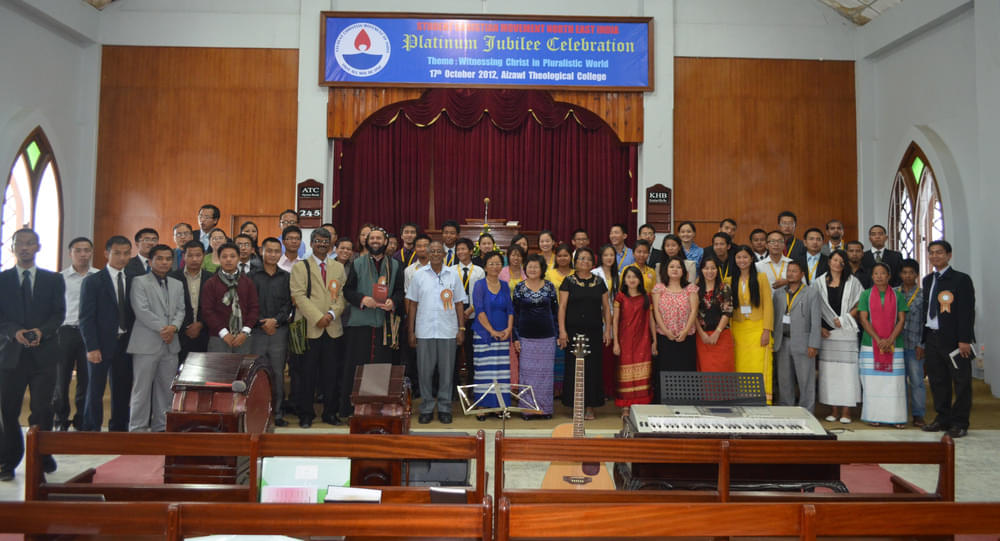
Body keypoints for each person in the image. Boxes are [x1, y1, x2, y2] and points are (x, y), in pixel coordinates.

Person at [0, 229, 65, 481]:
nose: (25, 248)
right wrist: (14, 332)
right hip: (10, 356)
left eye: (30, 243)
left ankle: (41, 457)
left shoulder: (53, 280)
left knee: (41, 410)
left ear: (38, 247)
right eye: (20, 244)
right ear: (12, 248)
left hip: (44, 355)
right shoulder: (3, 280)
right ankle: (8, 460)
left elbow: (58, 314)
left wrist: (42, 332)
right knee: (8, 410)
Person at [342, 227, 405, 417]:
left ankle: (378, 409)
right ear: (366, 242)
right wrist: (362, 299)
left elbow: (400, 291)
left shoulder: (395, 265)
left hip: (384, 325)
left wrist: (393, 301)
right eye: (372, 238)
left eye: (379, 238)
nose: (375, 241)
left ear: (385, 242)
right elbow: (348, 291)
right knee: (356, 367)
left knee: (381, 368)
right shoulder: (357, 263)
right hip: (360, 323)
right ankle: (353, 410)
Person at [289, 228, 346, 427]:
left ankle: (330, 413)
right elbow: (298, 296)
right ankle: (306, 414)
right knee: (307, 374)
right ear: (312, 243)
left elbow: (341, 296)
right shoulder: (300, 267)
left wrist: (331, 315)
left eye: (325, 241)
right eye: (318, 241)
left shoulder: (338, 267)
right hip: (309, 328)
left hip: (333, 328)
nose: (322, 244)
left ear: (331, 244)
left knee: (331, 374)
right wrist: (318, 317)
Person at [407, 241, 467, 425]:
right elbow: (413, 304)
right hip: (424, 331)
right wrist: (411, 330)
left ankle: (444, 408)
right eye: (431, 251)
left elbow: (459, 303)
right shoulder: (418, 275)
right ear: (427, 253)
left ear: (444, 254)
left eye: (438, 251)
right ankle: (426, 408)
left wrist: (461, 328)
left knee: (447, 373)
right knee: (424, 373)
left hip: (448, 330)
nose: (434, 254)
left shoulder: (453, 275)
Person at [126, 244, 184, 432]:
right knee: (141, 389)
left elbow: (181, 310)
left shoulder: (177, 284)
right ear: (150, 262)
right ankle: (138, 428)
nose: (164, 262)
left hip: (170, 344)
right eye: (159, 258)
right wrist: (164, 329)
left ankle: (162, 426)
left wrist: (174, 327)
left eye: (168, 259)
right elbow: (141, 310)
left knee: (166, 389)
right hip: (146, 343)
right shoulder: (139, 282)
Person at [921, 240, 976, 438]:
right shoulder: (928, 280)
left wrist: (965, 339)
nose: (935, 256)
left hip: (954, 340)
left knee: (961, 382)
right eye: (931, 253)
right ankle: (942, 418)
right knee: (937, 381)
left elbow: (966, 311)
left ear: (949, 255)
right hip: (932, 337)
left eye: (939, 252)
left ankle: (960, 422)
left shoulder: (961, 279)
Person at [80, 235, 135, 433]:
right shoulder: (93, 281)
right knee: (95, 389)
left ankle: (118, 429)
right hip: (100, 344)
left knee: (122, 389)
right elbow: (86, 318)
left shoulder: (133, 280)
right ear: (106, 253)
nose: (122, 257)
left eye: (126, 253)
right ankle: (92, 429)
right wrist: (92, 347)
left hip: (125, 343)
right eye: (117, 253)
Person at [557, 247, 611, 420]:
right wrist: (562, 331)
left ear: (593, 262)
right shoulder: (568, 281)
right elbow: (562, 307)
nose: (585, 261)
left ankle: (590, 406)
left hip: (594, 331)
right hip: (573, 331)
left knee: (593, 368)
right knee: (574, 368)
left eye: (588, 259)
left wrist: (608, 330)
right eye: (581, 258)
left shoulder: (599, 282)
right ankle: (575, 405)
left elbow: (606, 308)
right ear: (576, 261)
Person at [53, 237, 98, 431]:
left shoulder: (99, 276)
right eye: (78, 250)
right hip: (65, 331)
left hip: (90, 333)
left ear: (91, 253)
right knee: (61, 379)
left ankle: (82, 419)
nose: (83, 254)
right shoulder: (59, 278)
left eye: (87, 250)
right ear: (70, 253)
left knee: (86, 378)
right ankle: (60, 419)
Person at [813, 249, 863, 424]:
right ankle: (833, 410)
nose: (837, 263)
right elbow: (813, 308)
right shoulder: (819, 283)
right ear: (829, 262)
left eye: (841, 261)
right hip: (827, 335)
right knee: (830, 373)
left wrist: (846, 318)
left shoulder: (853, 281)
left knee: (848, 373)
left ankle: (846, 411)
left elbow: (861, 302)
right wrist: (819, 327)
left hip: (846, 332)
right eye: (834, 260)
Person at [857, 262, 908, 428]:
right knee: (873, 383)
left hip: (895, 345)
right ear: (872, 276)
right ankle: (874, 416)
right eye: (876, 273)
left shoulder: (898, 295)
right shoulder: (865, 295)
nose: (879, 276)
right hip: (870, 345)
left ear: (889, 276)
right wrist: (878, 339)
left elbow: (901, 320)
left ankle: (896, 417)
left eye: (883, 273)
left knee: (894, 384)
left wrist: (890, 339)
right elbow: (863, 319)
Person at [251, 237, 292, 427]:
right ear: (262, 252)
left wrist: (276, 320)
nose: (273, 254)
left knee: (277, 373)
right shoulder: (251, 276)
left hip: (278, 331)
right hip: (256, 332)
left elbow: (288, 304)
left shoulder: (286, 277)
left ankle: (277, 413)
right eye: (269, 251)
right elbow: (249, 304)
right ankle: (255, 413)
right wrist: (262, 322)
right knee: (256, 373)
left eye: (277, 251)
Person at [771, 260, 822, 411]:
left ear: (802, 274)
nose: (790, 274)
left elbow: (816, 321)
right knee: (784, 379)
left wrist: (814, 344)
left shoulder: (811, 293)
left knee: (805, 380)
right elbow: (774, 318)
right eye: (788, 271)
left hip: (804, 343)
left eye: (794, 271)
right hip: (782, 341)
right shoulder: (779, 294)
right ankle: (786, 409)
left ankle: (807, 411)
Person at [512, 255, 558, 420]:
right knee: (527, 374)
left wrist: (558, 334)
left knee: (545, 375)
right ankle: (527, 409)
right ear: (525, 268)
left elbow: (555, 312)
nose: (532, 269)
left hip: (547, 336)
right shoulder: (519, 288)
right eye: (529, 266)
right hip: (526, 336)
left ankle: (545, 409)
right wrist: (515, 338)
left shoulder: (550, 287)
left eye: (536, 266)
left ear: (542, 269)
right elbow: (515, 314)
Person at [650, 256, 699, 403]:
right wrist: (666, 331)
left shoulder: (690, 288)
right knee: (665, 371)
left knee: (685, 372)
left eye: (678, 267)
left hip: (686, 338)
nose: (675, 270)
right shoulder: (659, 288)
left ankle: (686, 404)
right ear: (666, 270)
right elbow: (656, 312)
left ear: (683, 271)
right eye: (672, 267)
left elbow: (694, 311)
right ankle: (664, 403)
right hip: (665, 337)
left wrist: (685, 331)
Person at [471, 252, 514, 420]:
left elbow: (510, 310)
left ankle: (499, 405)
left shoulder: (504, 285)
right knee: (484, 372)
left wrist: (508, 329)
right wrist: (492, 331)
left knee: (501, 372)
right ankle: (482, 405)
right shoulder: (479, 285)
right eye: (491, 263)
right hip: (484, 334)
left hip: (503, 334)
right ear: (485, 266)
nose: (495, 267)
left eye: (498, 263)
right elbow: (479, 310)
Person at [730, 246, 775, 403]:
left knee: (759, 364)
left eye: (745, 257)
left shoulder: (761, 278)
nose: (742, 260)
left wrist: (767, 330)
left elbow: (768, 305)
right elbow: (728, 309)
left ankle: (761, 400)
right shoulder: (729, 280)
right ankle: (742, 399)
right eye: (739, 257)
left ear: (751, 259)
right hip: (738, 328)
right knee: (740, 364)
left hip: (758, 328)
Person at [201, 242, 259, 354]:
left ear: (238, 258)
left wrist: (245, 332)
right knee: (219, 366)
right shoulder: (211, 283)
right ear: (219, 259)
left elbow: (254, 308)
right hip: (218, 337)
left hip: (243, 337)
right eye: (224, 256)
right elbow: (207, 311)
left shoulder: (247, 282)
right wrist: (224, 333)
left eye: (232, 256)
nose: (228, 260)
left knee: (243, 366)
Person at [612, 266, 655, 411]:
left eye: (635, 277)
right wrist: (616, 342)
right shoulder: (620, 297)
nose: (632, 280)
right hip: (624, 340)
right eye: (628, 277)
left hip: (643, 340)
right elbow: (615, 321)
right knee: (625, 373)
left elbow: (651, 320)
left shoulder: (646, 297)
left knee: (643, 372)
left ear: (640, 280)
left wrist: (654, 341)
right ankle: (625, 406)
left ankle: (641, 406)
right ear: (624, 280)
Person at [167, 240, 212, 361]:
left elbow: (214, 306)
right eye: (190, 255)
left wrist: (201, 324)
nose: (194, 259)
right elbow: (170, 307)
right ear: (183, 256)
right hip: (179, 334)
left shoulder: (211, 278)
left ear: (204, 256)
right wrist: (185, 327)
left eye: (198, 255)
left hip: (205, 334)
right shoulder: (172, 277)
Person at [897, 258, 927, 427]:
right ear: (900, 274)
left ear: (916, 274)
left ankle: (918, 415)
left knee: (917, 381)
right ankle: (899, 414)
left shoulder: (923, 295)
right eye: (904, 272)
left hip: (915, 344)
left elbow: (925, 322)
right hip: (896, 345)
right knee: (898, 382)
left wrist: (922, 345)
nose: (907, 276)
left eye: (911, 273)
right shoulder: (893, 292)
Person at [453, 238, 484, 390]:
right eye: (458, 249)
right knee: (454, 352)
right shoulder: (451, 270)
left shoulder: (479, 271)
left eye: (463, 249)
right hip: (454, 315)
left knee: (472, 352)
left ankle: (472, 386)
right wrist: (458, 312)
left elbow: (481, 294)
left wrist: (471, 309)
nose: (460, 252)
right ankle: (455, 386)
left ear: (471, 251)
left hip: (474, 314)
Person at [695, 257, 735, 373]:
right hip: (703, 337)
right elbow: (693, 314)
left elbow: (727, 312)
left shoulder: (724, 287)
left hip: (722, 335)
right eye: (706, 268)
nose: (710, 271)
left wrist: (717, 332)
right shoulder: (695, 289)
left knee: (723, 371)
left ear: (718, 270)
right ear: (701, 270)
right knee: (706, 371)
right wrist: (701, 334)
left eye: (713, 268)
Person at [545, 243, 574, 395]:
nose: (563, 258)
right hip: (554, 316)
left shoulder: (576, 273)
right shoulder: (549, 273)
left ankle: (569, 386)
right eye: (560, 255)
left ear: (571, 257)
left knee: (571, 351)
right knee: (557, 352)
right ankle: (556, 388)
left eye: (566, 255)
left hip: (574, 315)